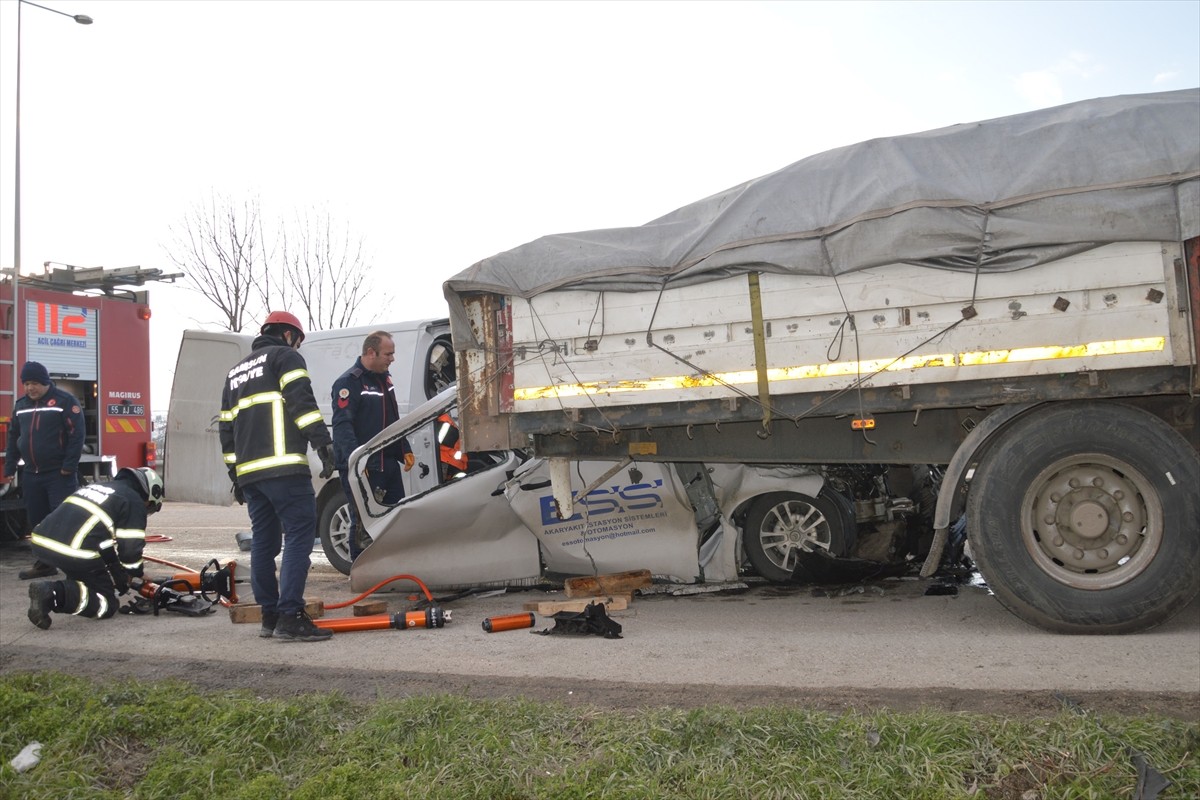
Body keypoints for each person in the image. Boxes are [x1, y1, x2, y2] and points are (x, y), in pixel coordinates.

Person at [220, 311, 336, 643]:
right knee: (300, 534)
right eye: (298, 341)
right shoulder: (285, 356)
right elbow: (302, 402)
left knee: (264, 543)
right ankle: (290, 616)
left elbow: (226, 428)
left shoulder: (235, 373)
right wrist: (323, 443)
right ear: (288, 336)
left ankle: (269, 616)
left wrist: (235, 473)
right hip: (284, 468)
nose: (299, 346)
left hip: (250, 475)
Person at [26, 466, 163, 629]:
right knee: (107, 603)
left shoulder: (99, 488)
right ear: (151, 493)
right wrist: (135, 572)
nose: (147, 511)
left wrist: (116, 571)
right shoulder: (133, 501)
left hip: (42, 542)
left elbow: (101, 540)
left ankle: (63, 591)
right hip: (73, 550)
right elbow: (130, 548)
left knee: (85, 580)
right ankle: (53, 592)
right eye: (151, 508)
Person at [331, 331, 414, 562]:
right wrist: (357, 462)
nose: (392, 359)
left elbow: (393, 420)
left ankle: (391, 569)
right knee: (364, 522)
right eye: (388, 354)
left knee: (395, 517)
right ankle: (362, 573)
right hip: (365, 466)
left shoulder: (385, 380)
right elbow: (342, 426)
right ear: (370, 353)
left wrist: (404, 448)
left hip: (386, 462)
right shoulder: (348, 383)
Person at [4, 361, 86, 581]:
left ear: (45, 382)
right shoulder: (21, 405)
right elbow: (13, 437)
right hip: (31, 474)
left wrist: (69, 467)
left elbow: (76, 435)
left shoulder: (64, 401)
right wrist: (10, 466)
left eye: (35, 383)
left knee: (63, 520)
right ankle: (45, 564)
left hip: (58, 474)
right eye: (27, 383)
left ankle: (74, 567)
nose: (31, 388)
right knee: (38, 520)